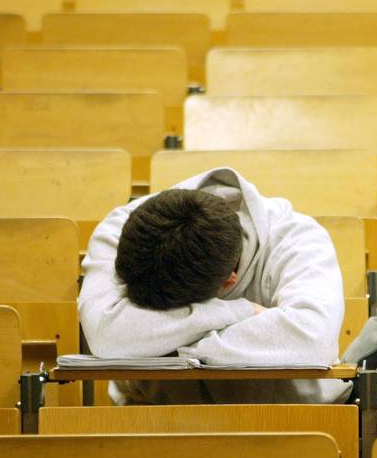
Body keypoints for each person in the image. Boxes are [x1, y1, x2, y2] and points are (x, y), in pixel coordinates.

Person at [80, 166, 356, 405]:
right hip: (152, 414)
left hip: (289, 415)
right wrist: (242, 311)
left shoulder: (298, 238)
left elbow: (311, 340)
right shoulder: (121, 229)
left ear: (228, 282)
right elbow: (107, 336)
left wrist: (160, 348)